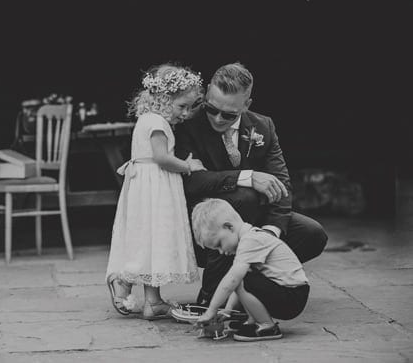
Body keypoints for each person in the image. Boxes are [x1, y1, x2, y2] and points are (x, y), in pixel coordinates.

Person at [174, 62, 327, 307]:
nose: (217, 118)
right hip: (203, 228)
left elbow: (282, 184)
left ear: (246, 105)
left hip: (251, 226)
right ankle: (210, 296)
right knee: (243, 198)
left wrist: (268, 236)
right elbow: (192, 181)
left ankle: (252, 287)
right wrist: (247, 177)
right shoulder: (186, 124)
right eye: (211, 109)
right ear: (207, 92)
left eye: (229, 114)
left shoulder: (263, 126)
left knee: (312, 234)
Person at [106, 64, 206, 320]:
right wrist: (188, 166)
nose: (185, 113)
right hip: (156, 186)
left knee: (152, 239)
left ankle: (153, 301)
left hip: (145, 186)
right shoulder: (158, 123)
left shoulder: (147, 119)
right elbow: (161, 158)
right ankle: (124, 281)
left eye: (189, 107)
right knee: (154, 235)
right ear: (163, 99)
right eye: (182, 106)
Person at [191, 199, 309, 341]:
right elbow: (240, 285)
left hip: (292, 297)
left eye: (219, 244)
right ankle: (253, 321)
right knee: (242, 276)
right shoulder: (249, 239)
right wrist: (228, 310)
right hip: (289, 293)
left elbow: (234, 281)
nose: (221, 252)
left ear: (229, 227)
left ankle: (267, 326)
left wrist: (211, 311)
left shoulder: (251, 240)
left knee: (237, 277)